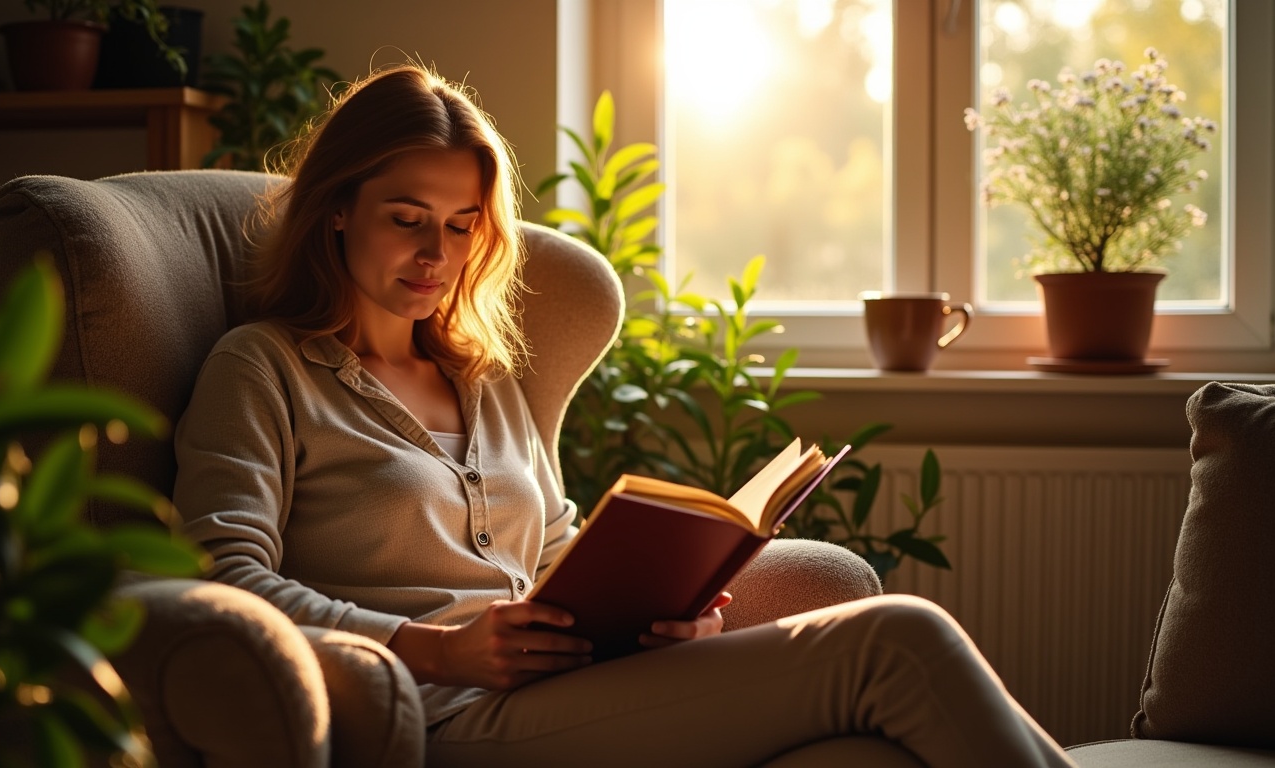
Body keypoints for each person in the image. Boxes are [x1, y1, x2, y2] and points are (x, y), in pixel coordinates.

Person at [173, 64, 1076, 768]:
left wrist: (669, 610)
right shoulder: (262, 368)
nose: (434, 254)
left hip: (571, 682)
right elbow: (223, 584)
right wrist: (435, 649)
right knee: (899, 640)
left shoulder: (481, 379)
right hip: (441, 714)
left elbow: (553, 547)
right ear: (336, 212)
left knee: (859, 754)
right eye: (407, 218)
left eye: (460, 226)